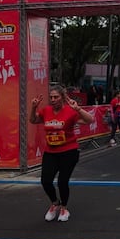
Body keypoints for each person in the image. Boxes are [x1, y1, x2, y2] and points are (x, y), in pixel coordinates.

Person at [29, 85, 93, 222]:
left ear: (62, 98)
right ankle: (55, 203)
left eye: (56, 97)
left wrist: (78, 109)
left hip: (69, 151)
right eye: (51, 97)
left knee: (62, 181)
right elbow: (33, 120)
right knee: (45, 181)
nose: (53, 100)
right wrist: (34, 107)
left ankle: (64, 207)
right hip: (50, 151)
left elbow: (89, 120)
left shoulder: (70, 111)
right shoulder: (46, 111)